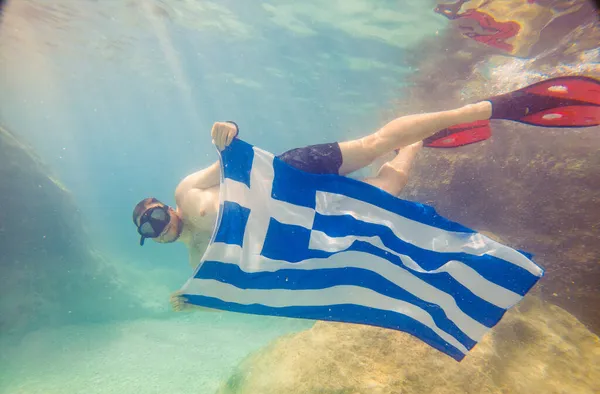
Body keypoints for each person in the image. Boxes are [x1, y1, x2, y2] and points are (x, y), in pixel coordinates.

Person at [132, 75, 600, 268]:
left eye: (154, 217)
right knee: (382, 199)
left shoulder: (187, 192)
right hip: (302, 215)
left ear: (162, 205)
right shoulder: (197, 257)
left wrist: (227, 128)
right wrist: (189, 300)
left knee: (374, 144)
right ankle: (415, 146)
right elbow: (235, 279)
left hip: (287, 173)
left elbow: (226, 157)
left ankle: (487, 107)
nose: (159, 228)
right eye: (150, 232)